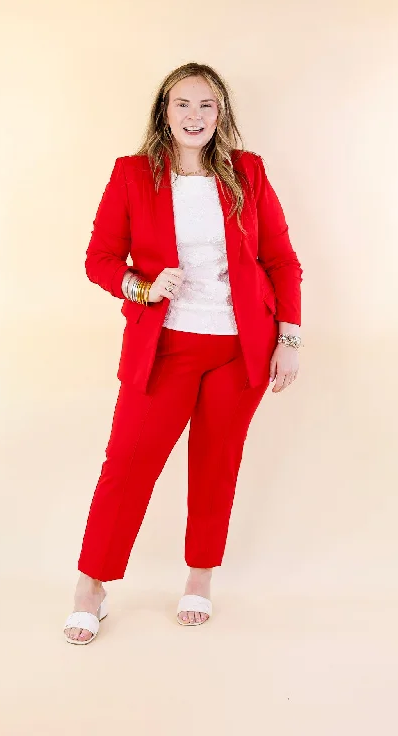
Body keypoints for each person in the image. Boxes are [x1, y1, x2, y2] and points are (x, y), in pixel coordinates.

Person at [64, 62, 303, 644]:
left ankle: (199, 579)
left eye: (207, 106)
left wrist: (289, 339)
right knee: (126, 466)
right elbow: (99, 259)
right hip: (165, 349)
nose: (194, 116)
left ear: (221, 115)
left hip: (239, 352)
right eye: (182, 105)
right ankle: (90, 588)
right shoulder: (131, 176)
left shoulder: (247, 172)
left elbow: (281, 260)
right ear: (164, 113)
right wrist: (142, 287)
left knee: (215, 466)